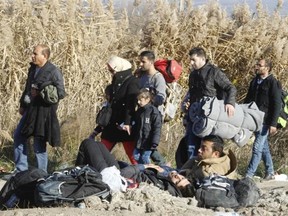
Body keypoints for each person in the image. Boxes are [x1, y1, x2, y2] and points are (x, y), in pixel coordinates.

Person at [13, 44, 66, 173]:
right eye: (33, 53)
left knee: (39, 144)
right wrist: (22, 105)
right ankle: (21, 170)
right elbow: (27, 88)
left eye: (35, 54)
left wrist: (42, 92)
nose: (32, 55)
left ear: (45, 56)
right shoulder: (33, 69)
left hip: (44, 113)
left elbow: (61, 93)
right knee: (19, 136)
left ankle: (41, 174)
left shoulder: (53, 71)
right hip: (30, 110)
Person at [182, 47, 237, 162]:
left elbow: (230, 87)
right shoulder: (192, 75)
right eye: (190, 60)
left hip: (209, 118)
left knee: (207, 149)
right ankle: (189, 172)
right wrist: (187, 115)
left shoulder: (214, 72)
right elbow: (192, 96)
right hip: (194, 116)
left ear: (202, 59)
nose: (191, 63)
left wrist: (230, 103)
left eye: (193, 60)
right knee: (191, 146)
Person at [244, 58, 282, 180]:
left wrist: (273, 123)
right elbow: (248, 100)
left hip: (266, 121)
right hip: (254, 119)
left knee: (257, 147)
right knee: (263, 146)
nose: (257, 67)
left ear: (267, 68)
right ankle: (270, 171)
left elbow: (277, 104)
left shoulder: (273, 82)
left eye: (259, 65)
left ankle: (249, 174)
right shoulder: (254, 82)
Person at [100, 56, 140, 165]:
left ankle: (143, 175)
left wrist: (127, 122)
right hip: (112, 122)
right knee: (100, 152)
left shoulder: (132, 82)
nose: (111, 73)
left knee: (133, 155)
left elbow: (130, 104)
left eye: (112, 70)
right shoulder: (115, 82)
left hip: (125, 124)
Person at [137, 50, 167, 166]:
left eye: (143, 62)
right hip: (143, 115)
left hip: (153, 116)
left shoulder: (158, 78)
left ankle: (159, 165)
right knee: (144, 141)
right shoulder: (142, 77)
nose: (140, 64)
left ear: (150, 62)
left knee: (149, 142)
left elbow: (161, 98)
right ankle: (158, 164)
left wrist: (149, 98)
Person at [133, 89, 162, 164]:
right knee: (136, 155)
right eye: (138, 100)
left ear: (147, 99)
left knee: (145, 157)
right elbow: (136, 125)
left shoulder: (153, 112)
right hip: (140, 140)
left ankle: (149, 170)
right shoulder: (139, 111)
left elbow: (157, 128)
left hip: (148, 140)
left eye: (140, 100)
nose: (138, 102)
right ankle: (142, 169)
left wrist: (155, 141)